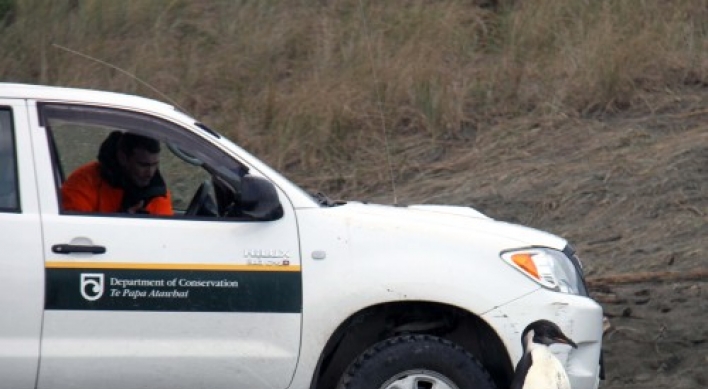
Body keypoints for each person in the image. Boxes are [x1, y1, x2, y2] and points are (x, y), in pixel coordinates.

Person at [61, 131, 173, 215]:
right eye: (143, 165)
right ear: (123, 158)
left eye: (155, 165)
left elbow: (166, 234)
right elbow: (75, 232)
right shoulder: (84, 182)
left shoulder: (157, 190)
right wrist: (122, 219)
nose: (150, 173)